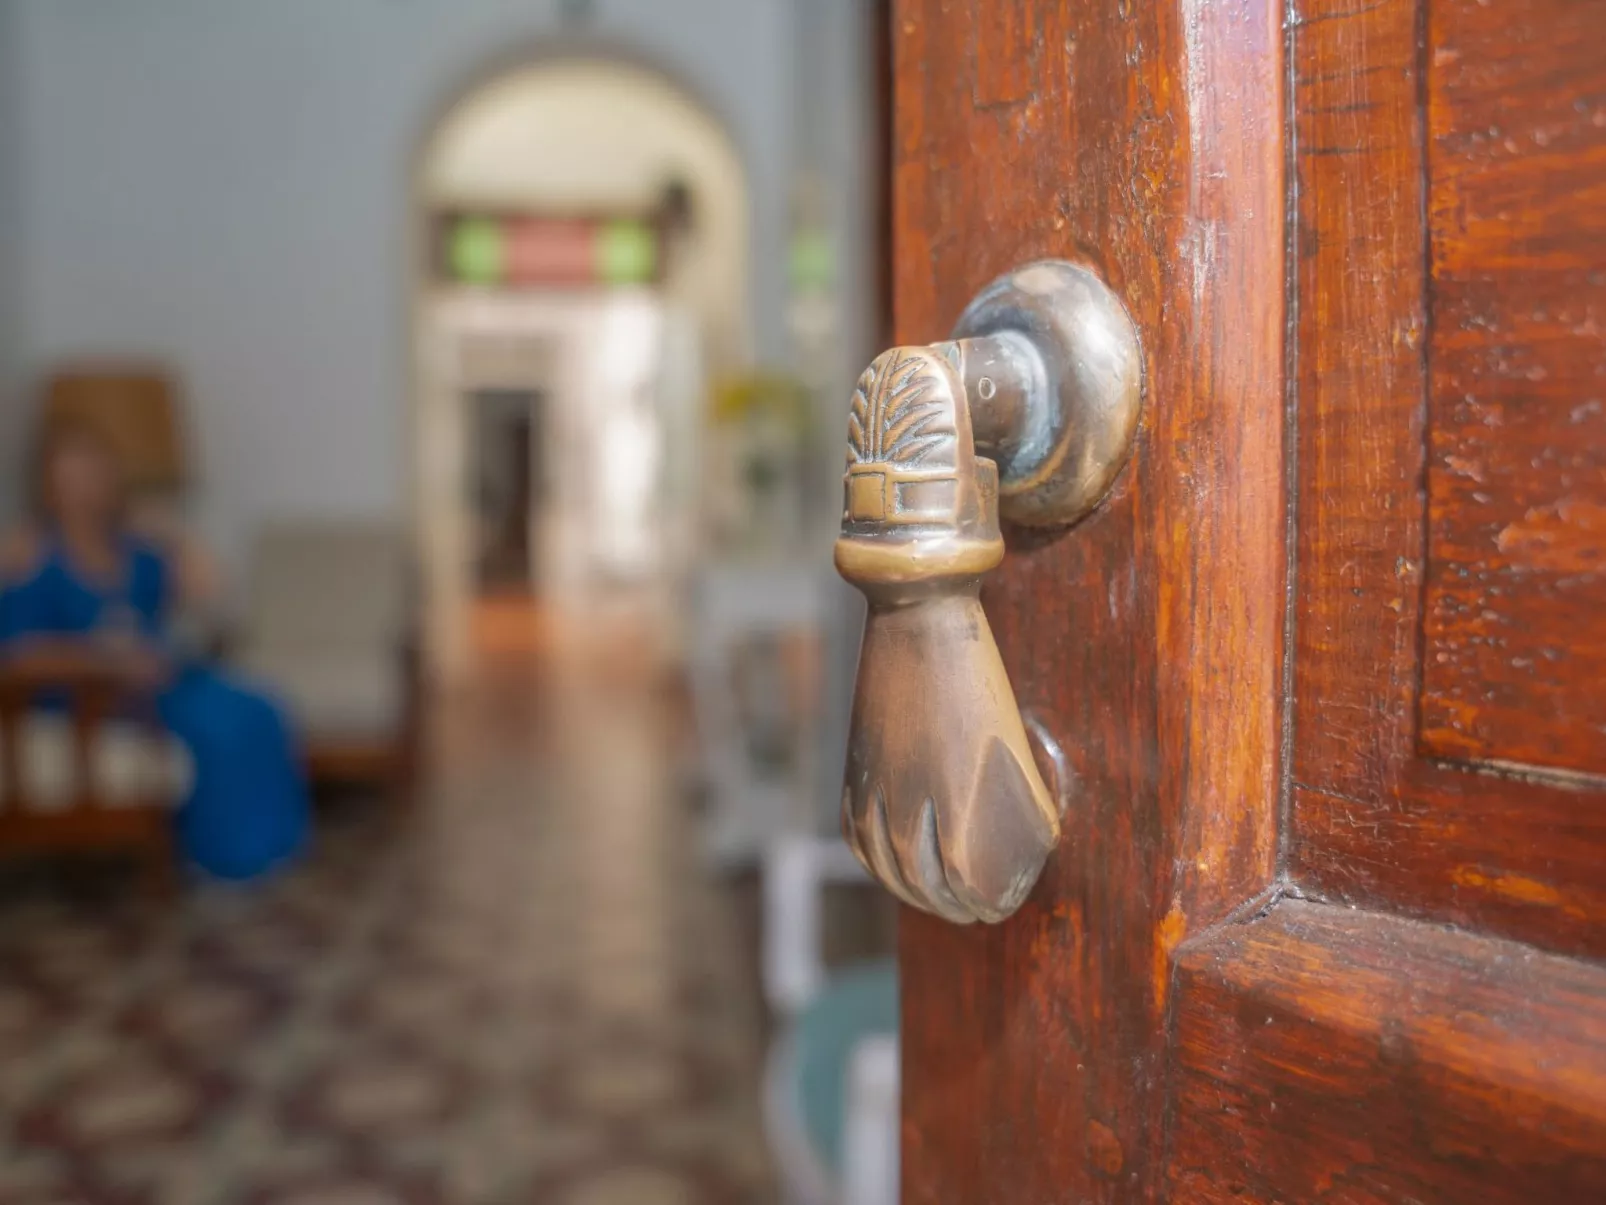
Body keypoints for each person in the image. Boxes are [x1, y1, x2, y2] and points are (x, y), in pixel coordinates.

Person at [0, 422, 309, 880]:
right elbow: (18, 654)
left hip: (165, 678)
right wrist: (104, 661)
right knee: (217, 728)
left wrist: (174, 531)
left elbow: (213, 592)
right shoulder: (31, 556)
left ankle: (275, 853)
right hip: (92, 694)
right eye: (72, 477)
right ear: (48, 486)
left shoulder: (135, 548)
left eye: (95, 473)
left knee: (262, 709)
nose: (85, 488)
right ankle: (220, 861)